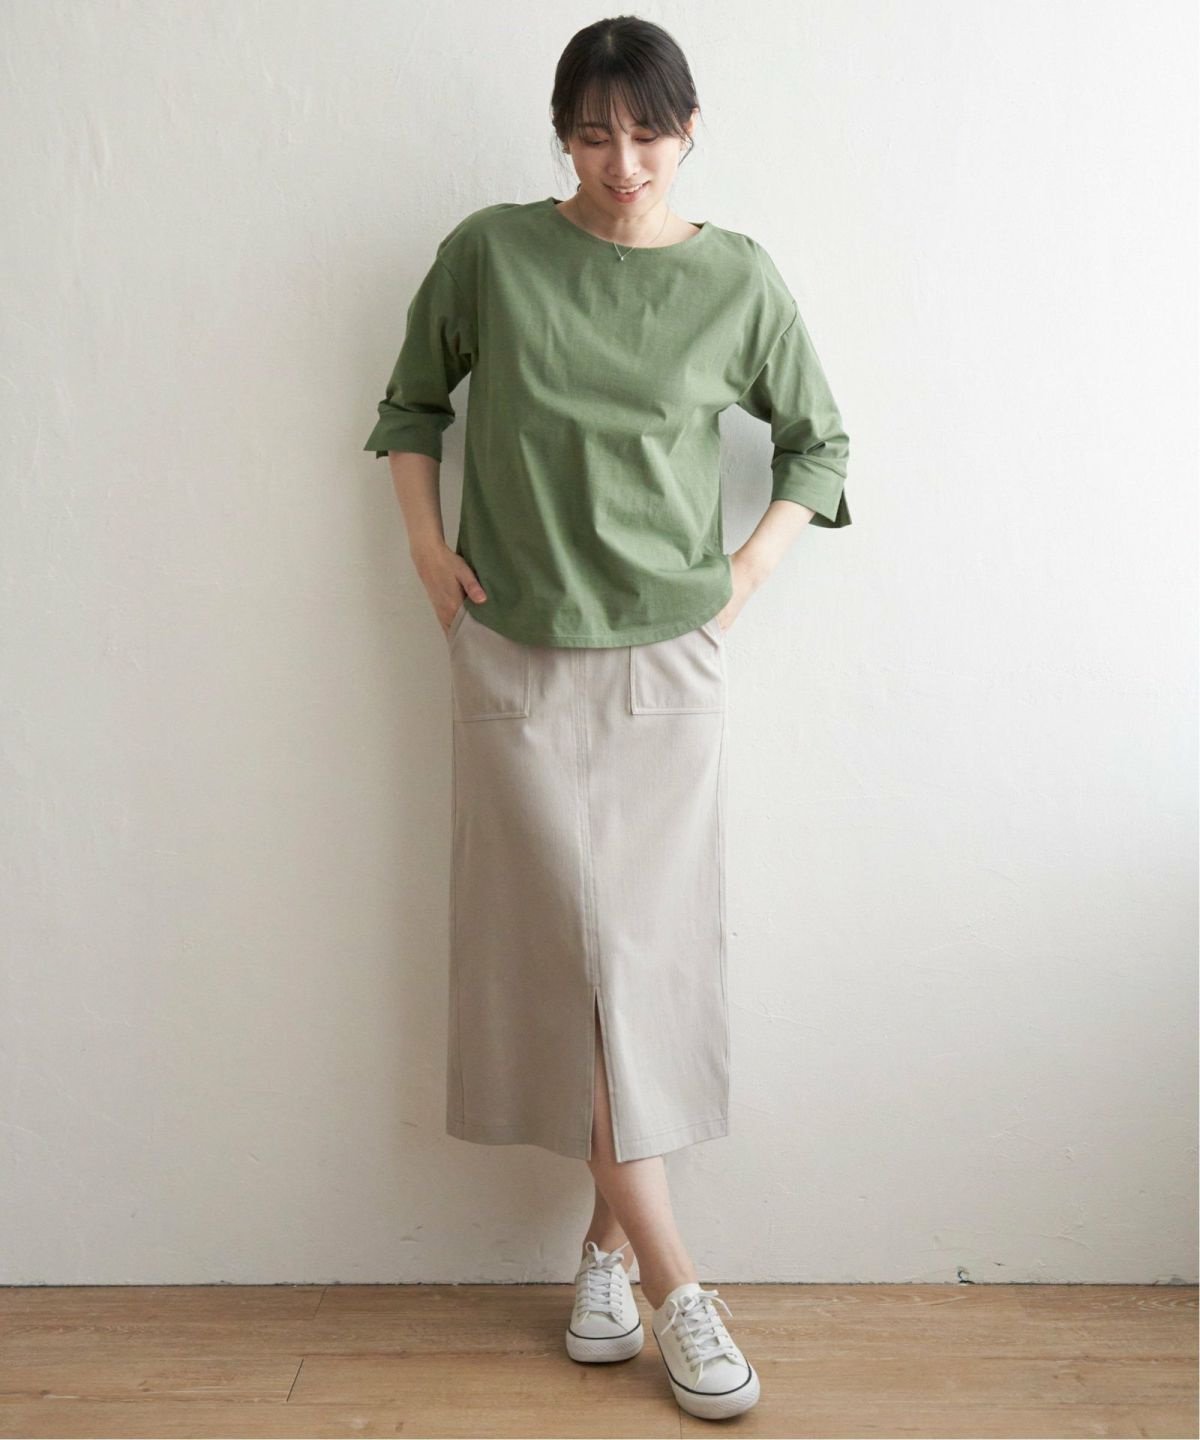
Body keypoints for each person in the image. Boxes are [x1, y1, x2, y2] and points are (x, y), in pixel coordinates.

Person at [362, 15, 850, 1423]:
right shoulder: (491, 255)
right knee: (568, 965)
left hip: (668, 664)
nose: (621, 162)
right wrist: (425, 553)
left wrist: (743, 578)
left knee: (636, 969)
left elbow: (819, 443)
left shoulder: (737, 278)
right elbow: (409, 407)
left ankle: (606, 1254)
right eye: (592, 134)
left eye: (646, 133)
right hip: (513, 651)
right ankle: (681, 1283)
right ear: (562, 136)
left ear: (689, 130)